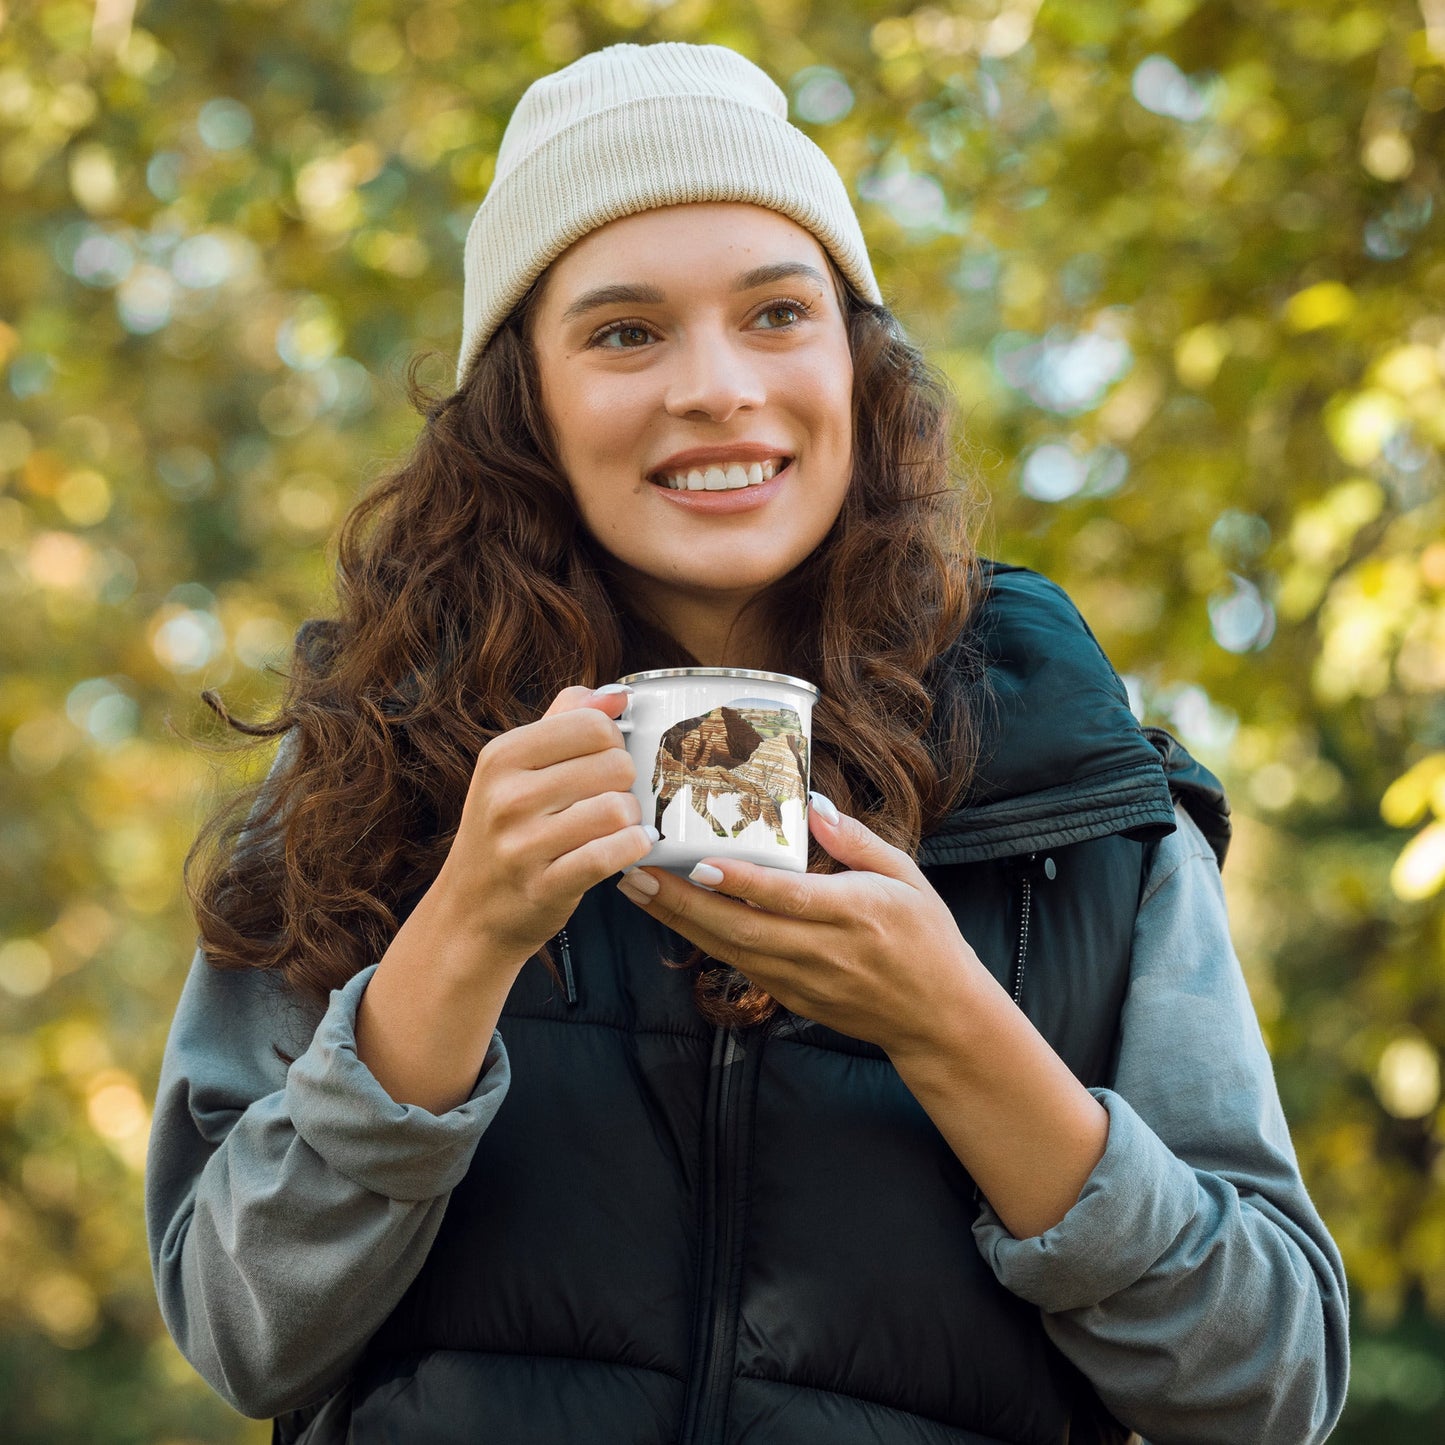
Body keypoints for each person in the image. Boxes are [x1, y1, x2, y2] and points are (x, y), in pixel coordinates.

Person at [145, 40, 1350, 1445]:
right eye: (623, 332)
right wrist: (460, 936)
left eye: (777, 313)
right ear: (522, 400)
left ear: (856, 361)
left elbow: (1269, 1385)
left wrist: (949, 1024)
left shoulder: (1072, 794)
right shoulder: (372, 768)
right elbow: (239, 1334)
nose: (716, 386)